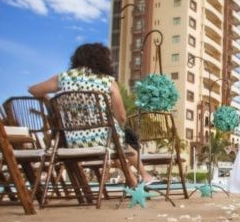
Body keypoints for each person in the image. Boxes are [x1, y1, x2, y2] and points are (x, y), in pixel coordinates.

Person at [28, 43, 154, 188]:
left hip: (72, 141)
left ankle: (133, 182)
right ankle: (145, 175)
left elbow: (33, 90)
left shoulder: (63, 78)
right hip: (103, 139)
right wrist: (121, 128)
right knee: (123, 143)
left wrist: (52, 101)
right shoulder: (107, 81)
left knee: (118, 146)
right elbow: (122, 117)